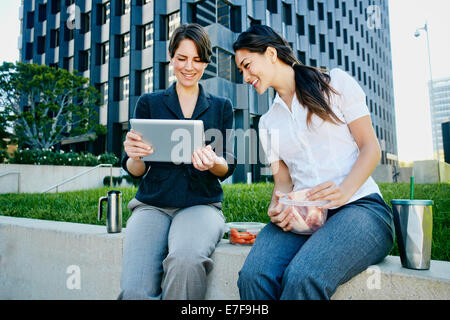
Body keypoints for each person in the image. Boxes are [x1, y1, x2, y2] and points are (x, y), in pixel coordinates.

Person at [232, 25, 395, 300]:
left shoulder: (335, 84)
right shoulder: (268, 123)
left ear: (271, 53)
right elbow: (283, 183)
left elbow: (370, 148)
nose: (246, 76)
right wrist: (277, 206)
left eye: (247, 66)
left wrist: (344, 190)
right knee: (253, 276)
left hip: (362, 208)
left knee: (303, 276)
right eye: (241, 71)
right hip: (304, 217)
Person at [118, 23, 236, 300]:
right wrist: (136, 155)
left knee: (185, 261)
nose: (189, 67)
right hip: (152, 205)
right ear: (171, 57)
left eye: (197, 60)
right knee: (134, 289)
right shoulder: (149, 103)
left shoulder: (221, 107)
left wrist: (212, 163)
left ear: (206, 61)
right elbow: (135, 170)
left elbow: (227, 166)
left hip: (200, 204)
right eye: (181, 58)